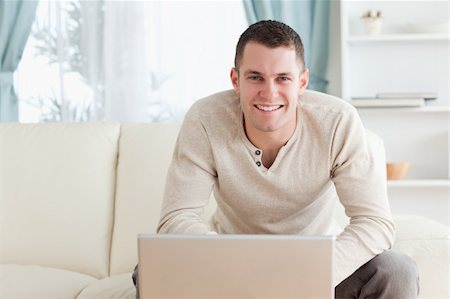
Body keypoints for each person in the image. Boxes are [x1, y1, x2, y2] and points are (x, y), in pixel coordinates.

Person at [133, 20, 419, 298]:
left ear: (302, 81)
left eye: (283, 78)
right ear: (236, 79)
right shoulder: (205, 120)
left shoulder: (338, 122)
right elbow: (176, 218)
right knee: (147, 272)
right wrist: (228, 269)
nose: (269, 93)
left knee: (396, 271)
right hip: (229, 274)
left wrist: (306, 279)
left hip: (316, 274)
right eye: (255, 77)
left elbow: (374, 223)